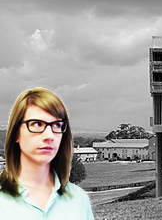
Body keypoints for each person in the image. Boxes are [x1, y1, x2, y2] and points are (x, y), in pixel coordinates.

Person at [0, 88, 94, 219]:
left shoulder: (79, 199)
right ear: (16, 133)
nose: (50, 136)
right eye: (37, 124)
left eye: (57, 125)